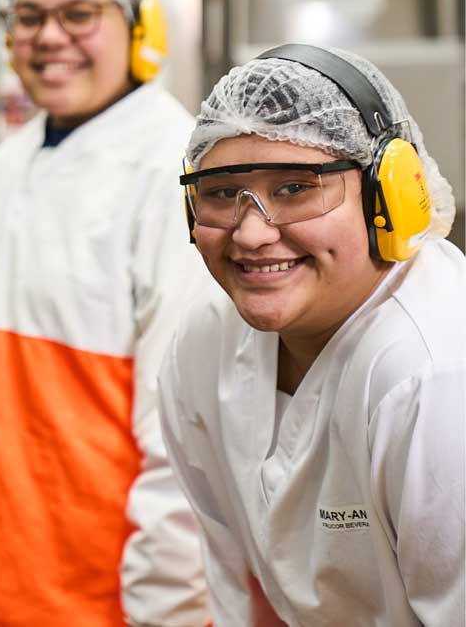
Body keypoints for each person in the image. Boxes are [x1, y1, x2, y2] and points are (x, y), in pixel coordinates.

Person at [0, 0, 213, 627]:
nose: (49, 36)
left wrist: (166, 612)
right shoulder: (1, 169)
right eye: (29, 17)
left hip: (107, 598)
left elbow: (187, 438)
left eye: (79, 14)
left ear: (139, 26)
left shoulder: (170, 171)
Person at [159, 43, 465, 626]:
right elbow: (231, 581)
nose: (251, 234)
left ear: (389, 196)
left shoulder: (435, 375)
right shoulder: (205, 342)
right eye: (222, 192)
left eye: (296, 188)